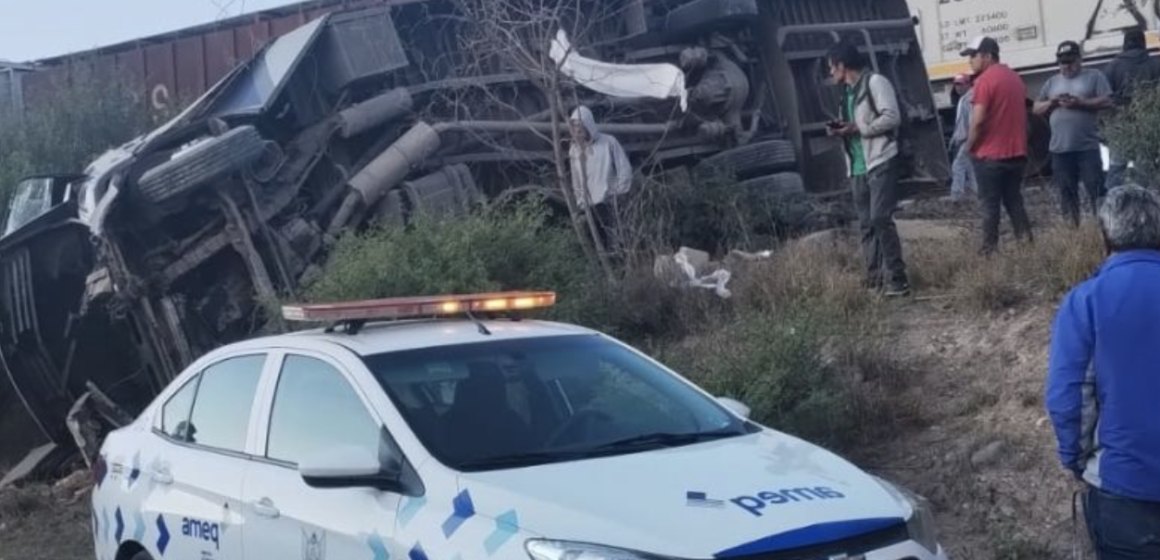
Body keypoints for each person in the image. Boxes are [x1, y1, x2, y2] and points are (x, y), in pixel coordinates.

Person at [1046, 185, 1160, 560]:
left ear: (1105, 237)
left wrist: (1076, 462)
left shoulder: (1086, 301)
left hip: (1124, 489)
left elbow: (1069, 399)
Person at [826, 40, 910, 297]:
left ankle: (898, 279)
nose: (831, 73)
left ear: (842, 65)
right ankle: (874, 279)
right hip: (859, 167)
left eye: (832, 67)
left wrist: (858, 129)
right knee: (866, 224)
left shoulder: (876, 83)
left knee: (880, 218)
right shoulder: (847, 93)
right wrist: (841, 129)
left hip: (881, 160)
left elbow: (892, 116)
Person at [962, 36, 1035, 255]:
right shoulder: (1015, 78)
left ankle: (988, 253)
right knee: (1014, 202)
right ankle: (1027, 245)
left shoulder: (984, 81)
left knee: (989, 207)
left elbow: (978, 120)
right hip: (1016, 154)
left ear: (987, 56)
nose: (970, 61)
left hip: (990, 156)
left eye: (973, 56)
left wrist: (969, 147)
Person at [1034, 41, 1113, 227]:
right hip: (1060, 150)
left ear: (1079, 59)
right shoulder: (1052, 82)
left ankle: (1102, 229)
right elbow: (1036, 109)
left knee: (1096, 190)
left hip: (1087, 147)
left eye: (1070, 62)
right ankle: (1072, 231)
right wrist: (1052, 102)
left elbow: (1107, 101)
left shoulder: (1094, 76)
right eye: (1062, 63)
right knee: (1067, 193)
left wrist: (1081, 103)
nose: (1066, 66)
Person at [568, 105, 633, 252]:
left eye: (581, 125)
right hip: (589, 206)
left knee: (616, 243)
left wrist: (616, 191)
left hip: (609, 201)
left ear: (588, 124)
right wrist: (580, 200)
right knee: (596, 245)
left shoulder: (608, 142)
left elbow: (625, 169)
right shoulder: (574, 149)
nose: (578, 129)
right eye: (575, 126)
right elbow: (576, 179)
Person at [1102, 27, 1160, 188]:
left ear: (1124, 44)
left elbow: (1105, 99)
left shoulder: (1112, 67)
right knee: (1145, 168)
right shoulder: (1155, 64)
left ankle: (1113, 203)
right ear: (1143, 43)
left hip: (1120, 127)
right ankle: (1146, 204)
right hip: (1147, 127)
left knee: (1116, 167)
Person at [949, 73, 977, 200]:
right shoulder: (964, 98)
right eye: (956, 84)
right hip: (965, 139)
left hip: (968, 139)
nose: (957, 87)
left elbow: (972, 122)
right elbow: (961, 123)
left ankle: (957, 196)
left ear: (968, 84)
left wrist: (968, 140)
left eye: (960, 84)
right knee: (971, 168)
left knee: (958, 165)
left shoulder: (969, 99)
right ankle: (977, 193)